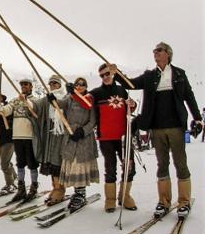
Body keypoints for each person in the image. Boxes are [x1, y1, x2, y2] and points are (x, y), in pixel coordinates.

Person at [109, 42, 203, 218]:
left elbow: (189, 97)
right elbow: (130, 84)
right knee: (162, 164)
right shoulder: (150, 76)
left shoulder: (179, 74)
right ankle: (164, 201)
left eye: (158, 51)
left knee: (180, 163)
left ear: (168, 53)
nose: (155, 53)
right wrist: (117, 73)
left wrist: (197, 118)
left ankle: (184, 202)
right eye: (154, 51)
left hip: (176, 126)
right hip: (157, 128)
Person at [89, 63, 138, 213]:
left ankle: (125, 196)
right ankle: (110, 200)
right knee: (110, 168)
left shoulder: (122, 89)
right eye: (102, 75)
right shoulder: (96, 93)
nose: (105, 77)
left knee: (129, 166)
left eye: (107, 74)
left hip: (124, 135)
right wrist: (73, 92)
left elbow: (131, 107)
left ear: (112, 73)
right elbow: (83, 102)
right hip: (106, 137)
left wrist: (133, 104)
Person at [47, 77, 99, 211]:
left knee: (79, 166)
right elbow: (60, 104)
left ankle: (80, 194)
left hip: (84, 138)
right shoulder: (70, 98)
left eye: (83, 84)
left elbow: (93, 121)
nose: (80, 86)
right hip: (70, 136)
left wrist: (83, 131)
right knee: (73, 165)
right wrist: (52, 99)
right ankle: (77, 193)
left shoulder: (89, 99)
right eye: (77, 84)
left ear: (86, 87)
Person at [0, 78, 40, 202]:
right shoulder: (15, 100)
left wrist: (25, 101)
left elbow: (36, 111)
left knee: (32, 163)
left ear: (31, 86)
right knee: (20, 163)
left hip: (30, 136)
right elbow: (6, 111)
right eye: (21, 84)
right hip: (17, 136)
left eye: (26, 84)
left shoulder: (35, 100)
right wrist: (0, 107)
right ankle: (21, 189)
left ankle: (34, 187)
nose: (23, 86)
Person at [31, 75, 68, 206]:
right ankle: (56, 187)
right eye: (51, 83)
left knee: (58, 161)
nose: (52, 85)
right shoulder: (47, 98)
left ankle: (60, 190)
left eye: (55, 83)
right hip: (50, 134)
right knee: (52, 161)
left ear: (60, 84)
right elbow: (36, 105)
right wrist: (27, 102)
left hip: (62, 134)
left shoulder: (65, 97)